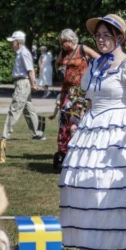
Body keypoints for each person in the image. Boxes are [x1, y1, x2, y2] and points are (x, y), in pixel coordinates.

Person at [58, 14, 126, 250]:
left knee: (123, 186)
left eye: (106, 35)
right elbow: (90, 98)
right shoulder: (93, 66)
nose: (101, 40)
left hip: (122, 128)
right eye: (98, 36)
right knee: (84, 183)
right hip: (93, 128)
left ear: (119, 38)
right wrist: (78, 120)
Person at [53, 28, 100, 170]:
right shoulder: (64, 53)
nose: (62, 45)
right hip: (66, 93)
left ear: (70, 40)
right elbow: (57, 63)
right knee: (65, 123)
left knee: (77, 122)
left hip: (80, 93)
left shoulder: (83, 49)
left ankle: (78, 154)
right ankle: (64, 153)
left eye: (63, 42)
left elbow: (100, 59)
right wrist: (59, 72)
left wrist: (93, 74)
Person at [0, 30, 44, 156]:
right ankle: (37, 133)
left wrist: (33, 84)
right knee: (28, 109)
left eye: (12, 42)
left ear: (17, 42)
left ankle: (5, 135)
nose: (10, 44)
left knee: (15, 108)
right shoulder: (21, 53)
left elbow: (30, 70)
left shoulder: (23, 53)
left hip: (22, 83)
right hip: (22, 83)